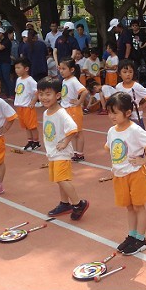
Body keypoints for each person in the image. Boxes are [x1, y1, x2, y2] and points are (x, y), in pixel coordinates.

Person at [104, 92, 146, 255]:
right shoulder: (111, 131)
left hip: (135, 174)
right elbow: (108, 147)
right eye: (109, 112)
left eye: (115, 113)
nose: (111, 116)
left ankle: (141, 240)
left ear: (128, 112)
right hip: (120, 175)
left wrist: (144, 160)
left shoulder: (135, 130)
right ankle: (132, 235)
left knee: (138, 206)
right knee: (129, 207)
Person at [37, 76, 90, 220]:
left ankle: (78, 204)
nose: (44, 97)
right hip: (53, 152)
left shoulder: (61, 113)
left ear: (58, 95)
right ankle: (64, 203)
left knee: (61, 179)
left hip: (62, 152)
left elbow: (73, 128)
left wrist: (65, 142)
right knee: (59, 179)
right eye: (41, 94)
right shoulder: (46, 113)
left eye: (48, 94)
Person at [58, 58, 89, 162]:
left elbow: (84, 91)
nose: (61, 71)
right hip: (66, 109)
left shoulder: (73, 80)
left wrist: (79, 102)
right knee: (72, 132)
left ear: (71, 70)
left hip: (74, 110)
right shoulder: (64, 80)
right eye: (60, 69)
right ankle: (75, 152)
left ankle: (80, 153)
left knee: (78, 132)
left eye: (64, 69)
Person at [115, 59, 146, 129]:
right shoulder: (118, 87)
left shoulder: (136, 86)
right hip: (124, 118)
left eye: (130, 72)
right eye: (125, 72)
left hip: (136, 118)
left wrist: (142, 106)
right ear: (119, 74)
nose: (128, 74)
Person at [13, 58, 40, 151]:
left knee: (32, 126)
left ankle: (36, 142)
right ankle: (30, 141)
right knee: (25, 126)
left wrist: (33, 101)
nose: (16, 70)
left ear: (26, 69)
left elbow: (37, 90)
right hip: (20, 106)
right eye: (15, 68)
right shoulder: (18, 79)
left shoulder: (30, 80)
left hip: (27, 107)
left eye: (18, 68)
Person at [0, 27, 14, 99]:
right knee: (2, 78)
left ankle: (11, 93)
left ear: (1, 33)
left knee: (6, 77)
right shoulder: (0, 41)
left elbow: (1, 48)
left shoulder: (6, 41)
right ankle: (6, 93)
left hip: (5, 62)